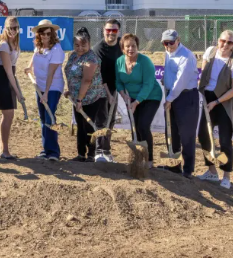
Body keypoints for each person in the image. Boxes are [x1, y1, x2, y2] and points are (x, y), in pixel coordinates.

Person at [197, 30, 233, 189]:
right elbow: (204, 75)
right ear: (218, 40)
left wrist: (216, 102)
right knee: (204, 136)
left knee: (225, 141)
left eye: (229, 42)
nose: (225, 45)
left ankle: (226, 176)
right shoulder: (210, 52)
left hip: (226, 103)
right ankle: (211, 171)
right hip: (208, 99)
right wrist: (204, 95)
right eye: (223, 41)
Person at [115, 33, 163, 167]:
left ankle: (149, 160)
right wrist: (124, 96)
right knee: (134, 128)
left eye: (133, 46)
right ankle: (138, 158)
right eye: (127, 46)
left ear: (137, 46)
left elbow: (148, 85)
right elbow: (118, 82)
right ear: (123, 49)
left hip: (151, 96)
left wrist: (136, 102)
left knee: (143, 125)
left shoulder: (145, 61)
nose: (131, 49)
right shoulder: (119, 62)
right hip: (131, 98)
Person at [65, 27, 109, 163]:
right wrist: (70, 91)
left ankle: (90, 154)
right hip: (77, 97)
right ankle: (80, 154)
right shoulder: (73, 55)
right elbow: (70, 73)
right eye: (77, 45)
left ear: (89, 44)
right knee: (80, 125)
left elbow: (86, 80)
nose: (80, 48)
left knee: (88, 125)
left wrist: (79, 99)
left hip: (91, 97)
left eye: (83, 45)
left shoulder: (91, 58)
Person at [161, 29, 200, 178]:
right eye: (165, 43)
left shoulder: (187, 56)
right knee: (171, 132)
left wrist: (170, 99)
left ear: (178, 40)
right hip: (172, 95)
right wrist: (165, 78)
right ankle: (174, 165)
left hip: (185, 97)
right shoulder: (167, 53)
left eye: (171, 42)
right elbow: (171, 72)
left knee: (186, 135)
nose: (169, 45)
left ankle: (188, 169)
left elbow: (181, 81)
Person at [25, 19, 65, 161]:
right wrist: (29, 67)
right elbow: (35, 56)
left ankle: (53, 152)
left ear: (52, 33)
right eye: (42, 33)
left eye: (48, 33)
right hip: (40, 86)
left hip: (53, 87)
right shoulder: (39, 47)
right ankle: (45, 149)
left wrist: (46, 93)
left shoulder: (57, 50)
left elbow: (51, 73)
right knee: (42, 118)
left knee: (49, 116)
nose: (45, 36)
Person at [0, 16, 23, 160]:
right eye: (10, 28)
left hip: (9, 76)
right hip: (1, 78)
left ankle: (1, 148)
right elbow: (8, 71)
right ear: (5, 28)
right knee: (8, 114)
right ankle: (5, 151)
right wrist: (18, 93)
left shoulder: (14, 42)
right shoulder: (3, 45)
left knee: (9, 114)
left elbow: (12, 71)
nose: (13, 31)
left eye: (15, 27)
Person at [93, 18, 123, 154]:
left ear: (119, 31)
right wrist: (109, 95)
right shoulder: (99, 49)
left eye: (114, 30)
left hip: (115, 86)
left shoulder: (122, 45)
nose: (111, 33)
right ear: (103, 30)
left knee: (111, 119)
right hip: (100, 86)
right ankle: (99, 150)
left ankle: (106, 149)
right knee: (102, 119)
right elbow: (100, 74)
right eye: (108, 30)